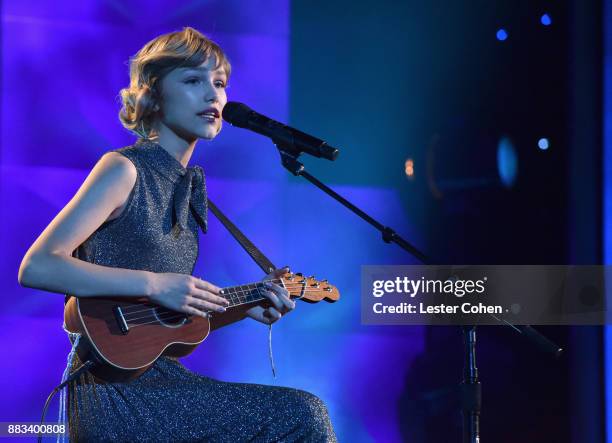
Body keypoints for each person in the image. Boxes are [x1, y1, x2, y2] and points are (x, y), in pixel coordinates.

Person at [18, 27, 337, 442]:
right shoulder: (124, 168)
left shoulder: (186, 190)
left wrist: (243, 307)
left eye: (219, 83)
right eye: (193, 81)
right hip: (112, 393)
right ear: (152, 95)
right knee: (302, 414)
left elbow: (154, 325)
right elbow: (37, 266)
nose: (214, 96)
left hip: (162, 381)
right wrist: (154, 284)